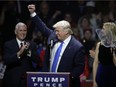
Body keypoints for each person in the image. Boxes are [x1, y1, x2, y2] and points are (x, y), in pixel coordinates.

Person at [28, 4, 85, 87]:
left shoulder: (77, 47)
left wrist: (67, 78)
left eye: (58, 31)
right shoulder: (53, 35)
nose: (56, 33)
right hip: (50, 82)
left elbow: (79, 67)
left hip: (68, 83)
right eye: (55, 31)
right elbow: (42, 27)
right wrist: (33, 13)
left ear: (66, 32)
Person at [1, 22, 39, 87]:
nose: (23, 33)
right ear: (16, 32)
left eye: (25, 30)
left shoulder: (32, 44)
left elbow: (37, 60)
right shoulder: (8, 44)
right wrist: (19, 53)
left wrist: (28, 52)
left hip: (27, 80)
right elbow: (6, 60)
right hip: (12, 80)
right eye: (20, 30)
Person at [93, 22, 116, 87]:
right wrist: (94, 82)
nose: (101, 31)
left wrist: (113, 52)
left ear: (109, 31)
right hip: (101, 74)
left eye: (103, 29)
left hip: (113, 75)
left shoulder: (114, 45)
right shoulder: (99, 44)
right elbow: (95, 63)